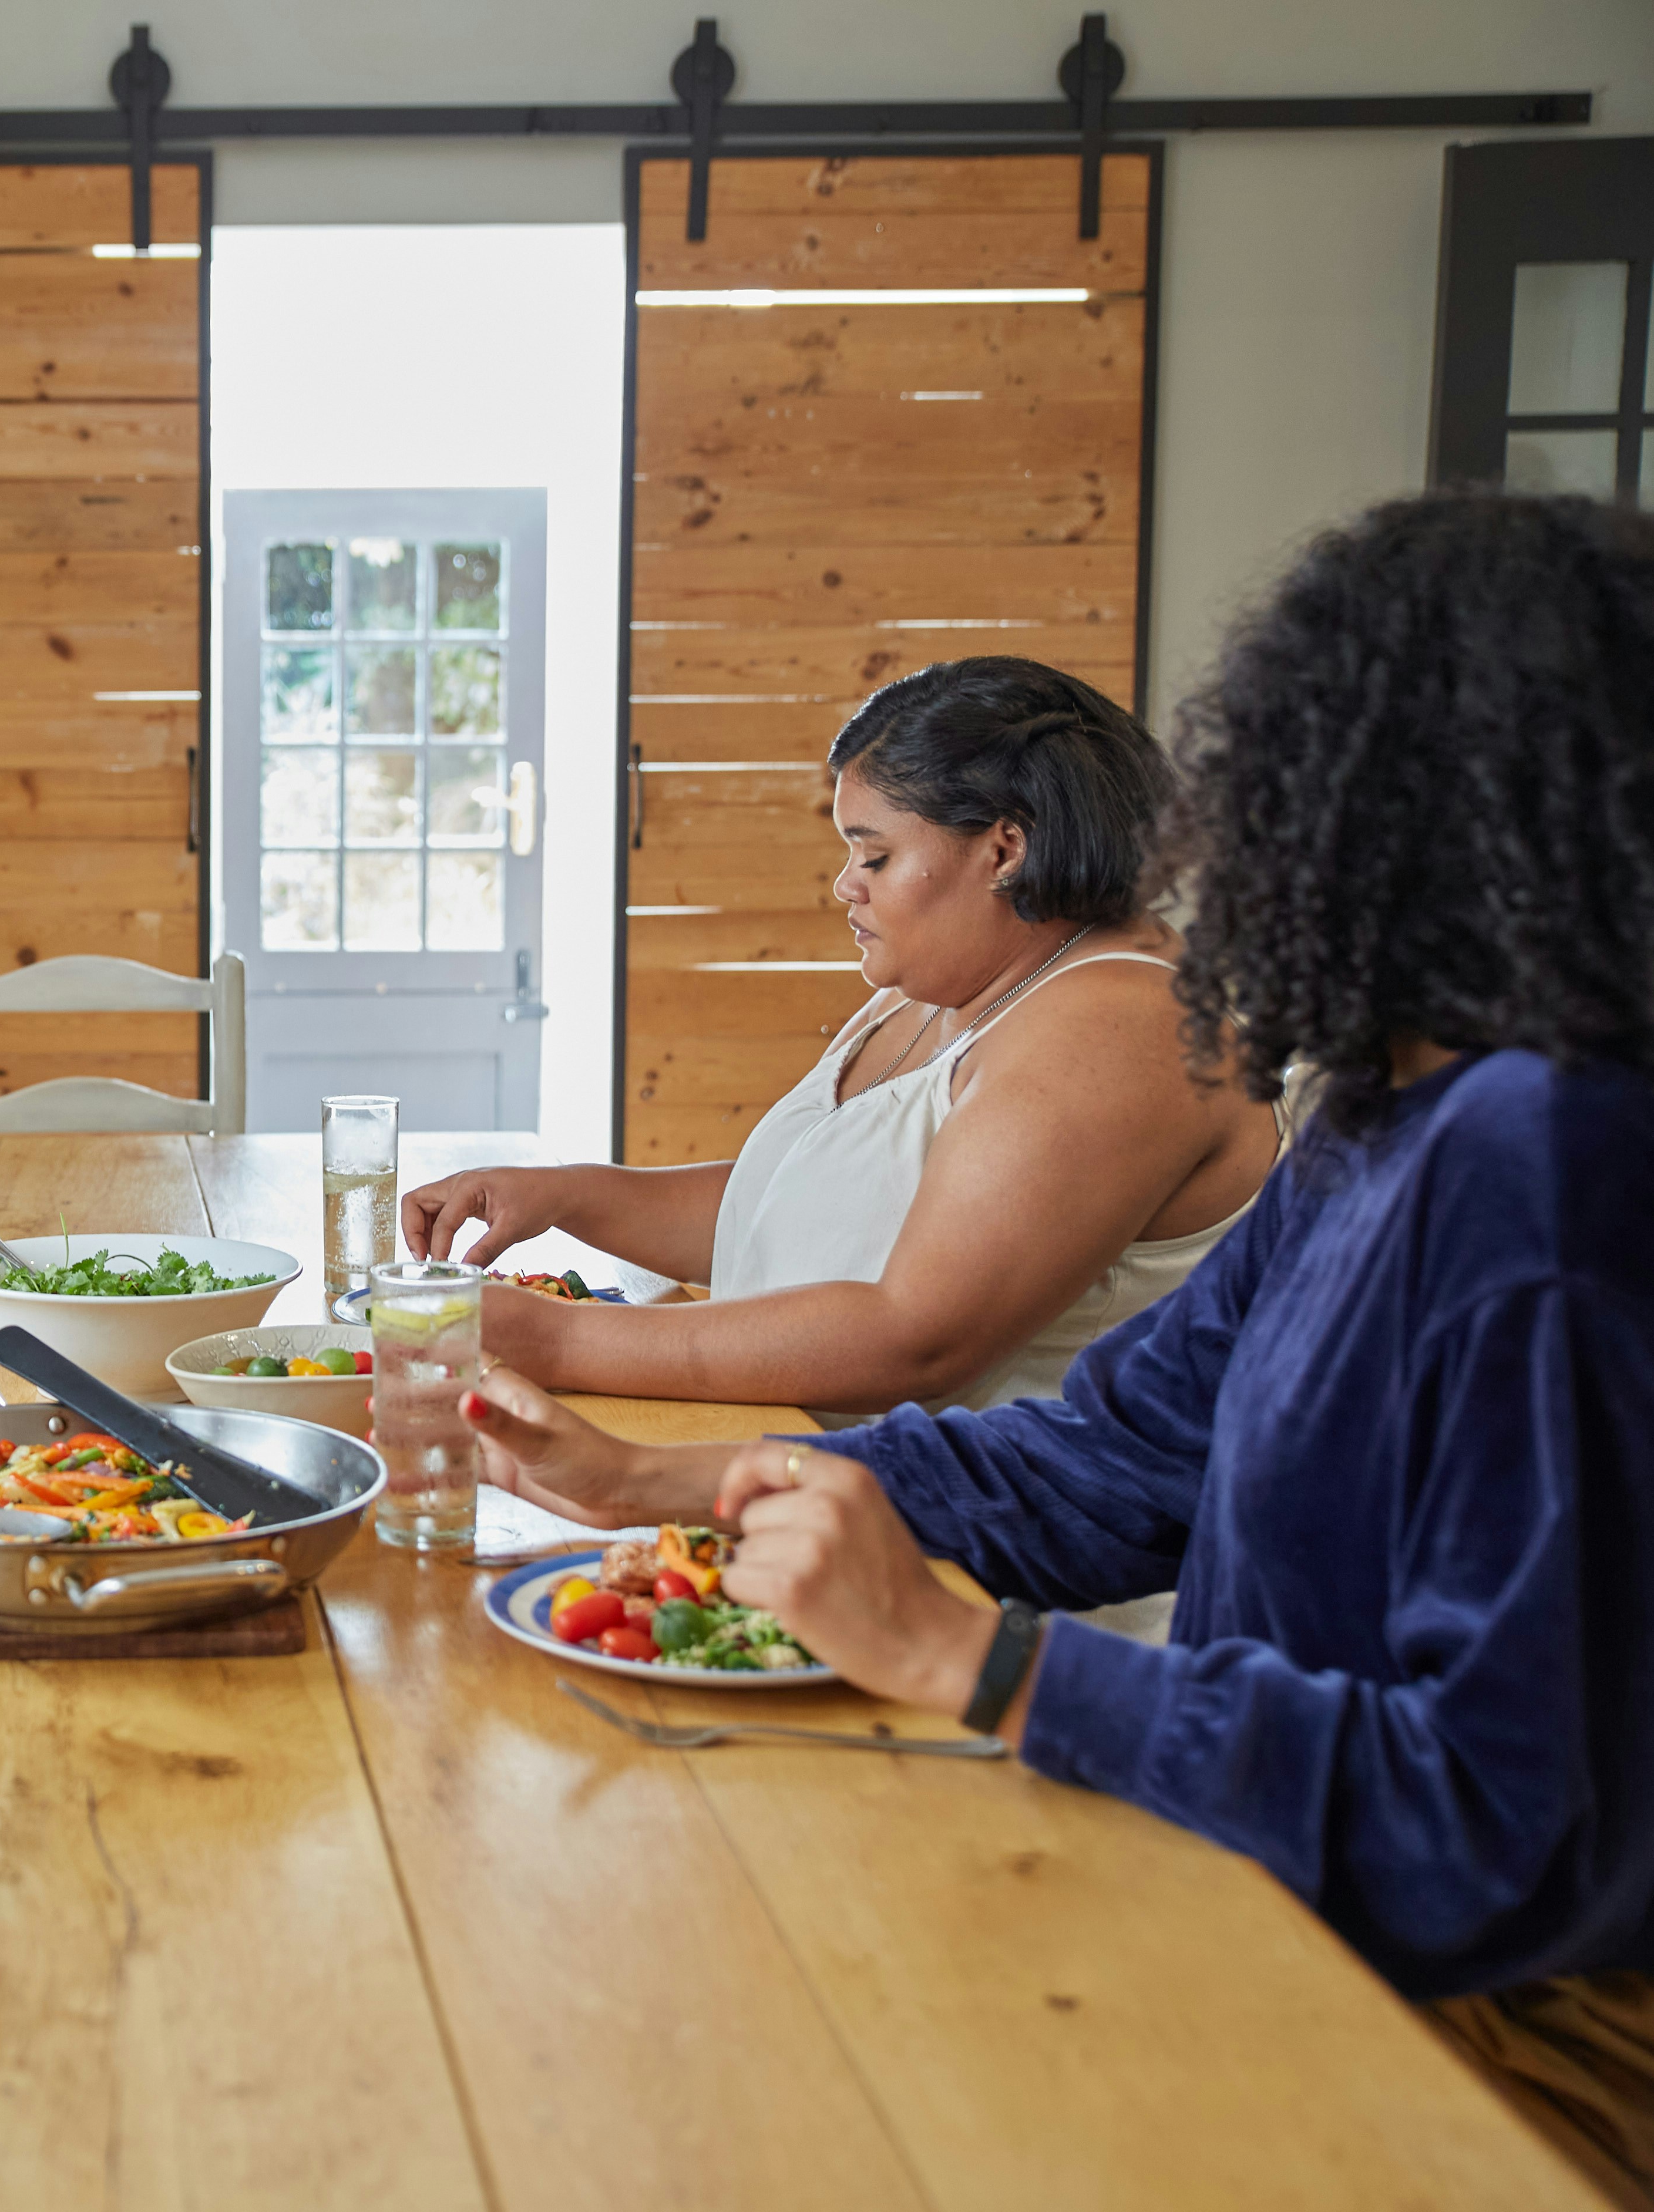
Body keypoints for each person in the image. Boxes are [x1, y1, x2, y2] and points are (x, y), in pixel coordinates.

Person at [462, 493, 1654, 2203]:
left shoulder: (1547, 1163)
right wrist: (665, 1481)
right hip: (1264, 1881)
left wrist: (980, 1666)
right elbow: (1113, 1456)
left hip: (1480, 2034)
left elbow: (1494, 1823)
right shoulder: (1391, 1118)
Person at [406, 657, 1279, 1421]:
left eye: (875, 857)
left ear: (1006, 848)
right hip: (806, 1494)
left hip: (989, 1572)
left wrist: (565, 1342)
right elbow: (793, 1217)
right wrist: (565, 1196)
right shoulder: (955, 987)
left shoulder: (1123, 1028)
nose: (844, 886)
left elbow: (917, 1339)